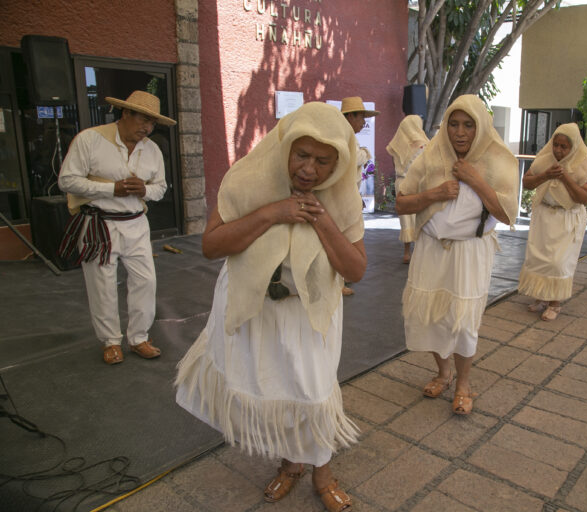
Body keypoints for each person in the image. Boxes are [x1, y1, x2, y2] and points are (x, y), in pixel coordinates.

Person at [175, 102, 364, 512]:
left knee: (312, 392)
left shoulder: (342, 195)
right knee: (274, 384)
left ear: (339, 162)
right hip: (253, 302)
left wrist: (322, 220)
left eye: (323, 160)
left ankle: (322, 472)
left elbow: (356, 268)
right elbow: (211, 245)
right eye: (302, 155)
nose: (309, 169)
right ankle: (290, 463)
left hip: (306, 310)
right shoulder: (250, 177)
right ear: (286, 145)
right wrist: (272, 213)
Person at [396, 95, 518, 415]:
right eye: (454, 124)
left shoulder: (497, 160)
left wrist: (476, 180)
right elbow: (402, 202)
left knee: (463, 322)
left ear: (480, 127)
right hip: (430, 247)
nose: (460, 132)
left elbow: (507, 215)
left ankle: (464, 384)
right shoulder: (431, 155)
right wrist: (434, 193)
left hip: (470, 251)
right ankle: (443, 373)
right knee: (432, 316)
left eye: (468, 125)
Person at [58, 90, 175, 365]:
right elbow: (67, 181)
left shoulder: (152, 149)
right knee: (102, 284)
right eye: (143, 120)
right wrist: (112, 188)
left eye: (152, 123)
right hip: (98, 222)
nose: (147, 128)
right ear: (125, 114)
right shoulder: (90, 139)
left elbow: (160, 188)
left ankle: (139, 337)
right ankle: (111, 341)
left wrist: (144, 189)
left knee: (145, 280)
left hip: (136, 223)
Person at [518, 123, 587, 321]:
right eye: (556, 145)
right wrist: (546, 175)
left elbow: (584, 198)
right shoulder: (545, 160)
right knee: (539, 258)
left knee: (558, 262)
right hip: (544, 216)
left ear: (574, 147)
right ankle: (542, 296)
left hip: (566, 219)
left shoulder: (583, 166)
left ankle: (555, 303)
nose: (559, 150)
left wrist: (565, 177)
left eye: (564, 147)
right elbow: (527, 183)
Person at [339, 96, 379, 295]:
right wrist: (365, 153)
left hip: (348, 195)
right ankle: (338, 282)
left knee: (346, 238)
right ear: (350, 116)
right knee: (341, 239)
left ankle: (342, 278)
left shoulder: (348, 136)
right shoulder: (342, 136)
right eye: (360, 117)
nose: (363, 122)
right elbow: (352, 159)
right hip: (341, 197)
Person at [386, 115, 429, 264]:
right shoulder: (424, 144)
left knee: (405, 219)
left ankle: (406, 252)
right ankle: (418, 252)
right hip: (417, 184)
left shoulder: (396, 143)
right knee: (419, 217)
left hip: (401, 182)